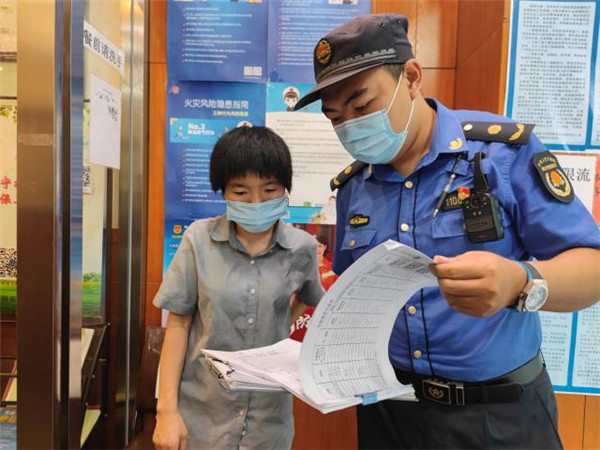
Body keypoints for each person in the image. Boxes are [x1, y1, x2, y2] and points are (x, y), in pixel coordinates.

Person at [294, 13, 600, 449]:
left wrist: (521, 281)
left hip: (499, 415)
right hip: (390, 413)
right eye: (335, 118)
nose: (350, 127)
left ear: (411, 77)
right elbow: (355, 295)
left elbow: (592, 266)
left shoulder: (500, 154)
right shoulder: (354, 187)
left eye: (361, 107)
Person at [152, 126, 324, 450]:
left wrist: (277, 326)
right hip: (202, 417)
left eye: (269, 189)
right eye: (241, 191)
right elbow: (178, 325)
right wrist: (166, 412)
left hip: (268, 422)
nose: (256, 201)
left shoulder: (301, 248)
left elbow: (309, 297)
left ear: (285, 188)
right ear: (224, 191)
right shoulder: (199, 240)